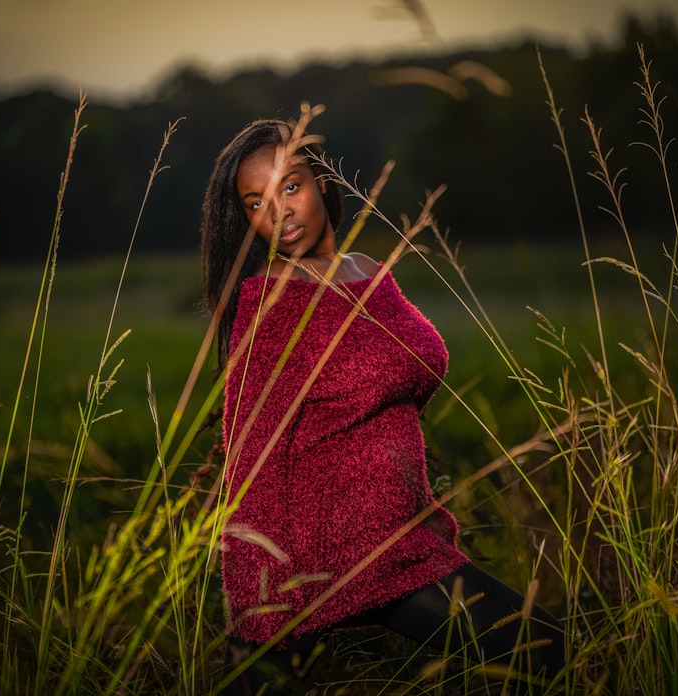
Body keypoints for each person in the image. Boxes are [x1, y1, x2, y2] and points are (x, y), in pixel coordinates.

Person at [200, 114, 564, 694]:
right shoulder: (268, 302)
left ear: (322, 182)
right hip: (337, 553)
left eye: (290, 186)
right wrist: (256, 611)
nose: (280, 213)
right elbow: (251, 458)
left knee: (535, 652)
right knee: (541, 648)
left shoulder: (368, 273)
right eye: (255, 203)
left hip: (404, 536)